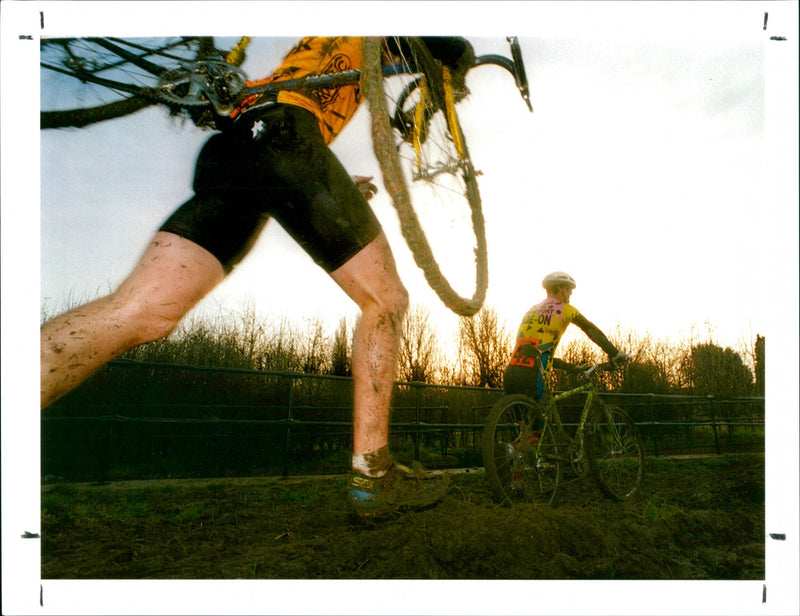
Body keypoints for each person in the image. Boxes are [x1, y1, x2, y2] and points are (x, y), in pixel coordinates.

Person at [40, 36, 474, 518]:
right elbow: (446, 45)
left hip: (242, 147)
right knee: (386, 298)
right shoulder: (371, 27)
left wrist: (332, 179)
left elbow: (289, 141)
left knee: (138, 312)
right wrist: (459, 68)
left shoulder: (322, 50)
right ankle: (374, 473)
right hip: (288, 138)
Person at [503, 271, 629, 401]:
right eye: (569, 290)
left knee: (519, 421)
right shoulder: (565, 309)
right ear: (561, 289)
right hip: (535, 377)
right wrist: (614, 353)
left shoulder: (532, 310)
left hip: (512, 373)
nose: (570, 294)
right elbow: (590, 329)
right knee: (542, 419)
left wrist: (571, 368)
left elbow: (538, 353)